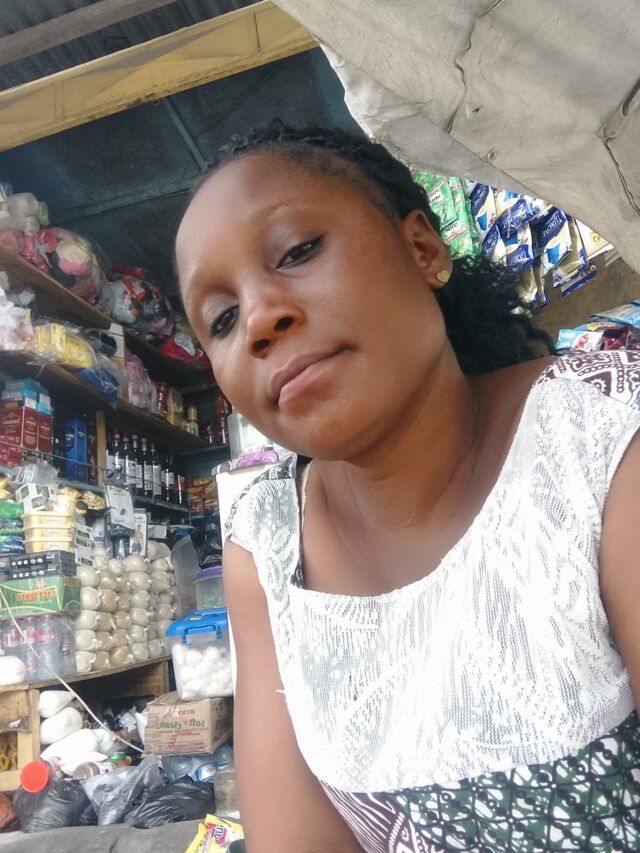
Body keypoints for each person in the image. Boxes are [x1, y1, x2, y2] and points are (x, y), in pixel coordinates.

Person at [175, 123, 640, 853]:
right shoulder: (264, 549)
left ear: (422, 249)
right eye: (222, 319)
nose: (260, 318)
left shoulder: (601, 438)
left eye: (297, 251)